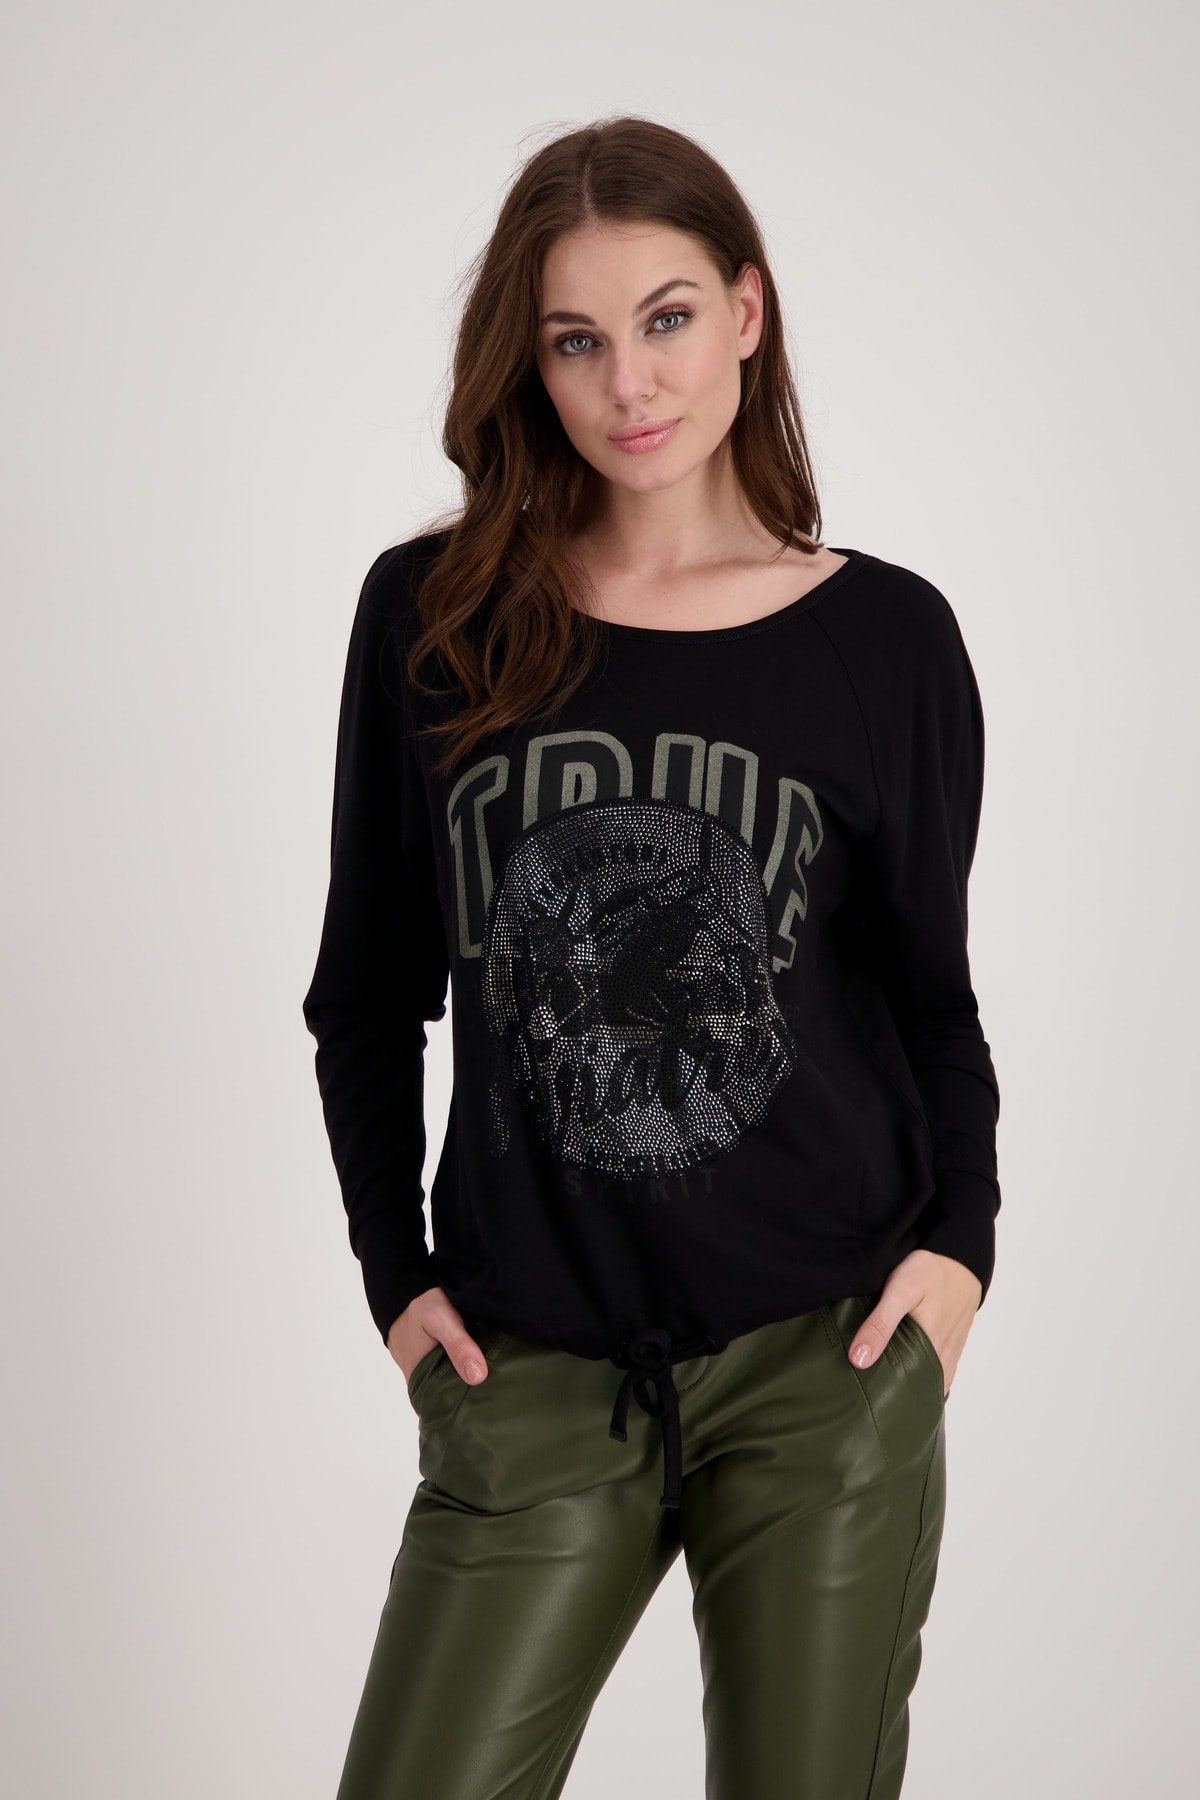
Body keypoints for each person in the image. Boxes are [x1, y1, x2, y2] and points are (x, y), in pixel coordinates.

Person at [301, 114, 1001, 1800]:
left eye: (668, 317)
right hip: (532, 1368)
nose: (630, 381)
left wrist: (960, 1253)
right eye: (576, 339)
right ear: (528, 363)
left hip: (828, 1360)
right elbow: (368, 993)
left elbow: (931, 999)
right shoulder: (432, 617)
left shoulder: (886, 641)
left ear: (747, 312)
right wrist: (398, 1282)